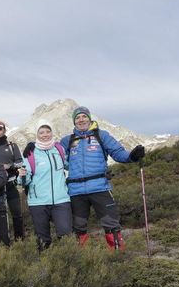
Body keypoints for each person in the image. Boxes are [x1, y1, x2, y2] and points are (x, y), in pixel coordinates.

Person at [60, 106, 145, 249]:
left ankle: (118, 256)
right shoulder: (67, 140)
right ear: (74, 122)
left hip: (100, 187)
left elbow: (118, 153)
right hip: (76, 191)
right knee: (78, 227)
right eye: (77, 118)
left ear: (89, 118)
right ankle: (80, 260)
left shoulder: (102, 135)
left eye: (84, 116)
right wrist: (33, 147)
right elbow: (52, 154)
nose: (81, 120)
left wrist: (132, 156)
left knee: (111, 224)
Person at [18, 123, 72, 251]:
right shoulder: (30, 153)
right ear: (36, 135)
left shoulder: (59, 149)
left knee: (65, 235)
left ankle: (68, 264)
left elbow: (70, 165)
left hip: (61, 200)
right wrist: (22, 176)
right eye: (41, 132)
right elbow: (24, 181)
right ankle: (45, 267)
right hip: (38, 202)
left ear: (52, 132)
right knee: (43, 239)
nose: (45, 135)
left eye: (48, 131)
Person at [0, 121, 25, 241]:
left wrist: (9, 166)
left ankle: (20, 241)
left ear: (4, 131)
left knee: (16, 213)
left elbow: (20, 162)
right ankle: (2, 243)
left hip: (10, 184)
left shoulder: (11, 146)